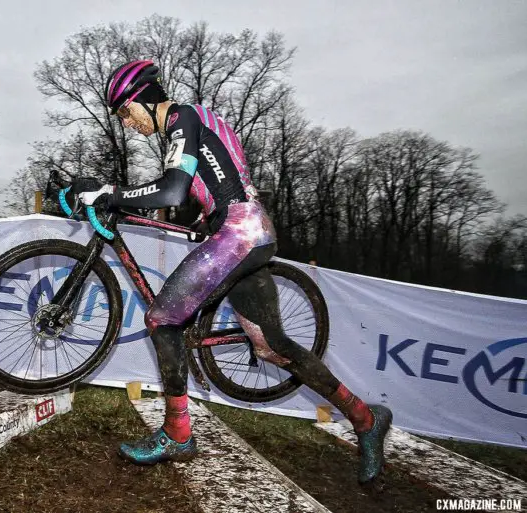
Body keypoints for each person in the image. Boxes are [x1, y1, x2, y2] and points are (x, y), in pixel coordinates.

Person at [70, 59, 393, 486]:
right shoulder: (198, 120)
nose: (127, 124)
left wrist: (111, 194)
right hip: (248, 232)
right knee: (272, 349)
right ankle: (367, 418)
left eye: (126, 112)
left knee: (161, 320)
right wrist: (207, 217)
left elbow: (171, 188)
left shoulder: (182, 117)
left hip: (239, 236)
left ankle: (177, 434)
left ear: (144, 100)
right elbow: (223, 179)